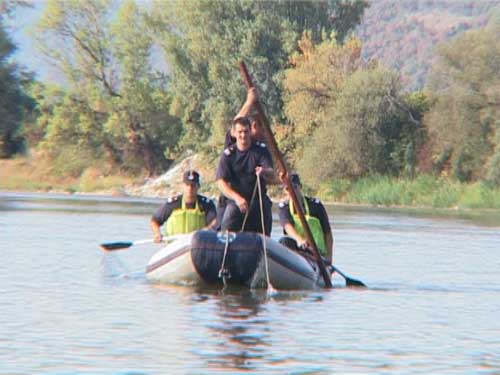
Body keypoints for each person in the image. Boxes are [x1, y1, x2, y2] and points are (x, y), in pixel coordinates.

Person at [216, 116, 275, 235]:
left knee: (265, 207)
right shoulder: (228, 155)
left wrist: (264, 171)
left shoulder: (261, 151)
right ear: (234, 133)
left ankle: (264, 245)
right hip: (236, 202)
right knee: (228, 218)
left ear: (250, 131)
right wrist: (237, 198)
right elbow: (220, 182)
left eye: (246, 131)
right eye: (240, 132)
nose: (243, 135)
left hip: (257, 201)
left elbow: (271, 173)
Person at [278, 173, 334, 263]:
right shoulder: (284, 207)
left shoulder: (316, 205)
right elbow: (287, 226)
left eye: (294, 187)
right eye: (288, 189)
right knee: (283, 241)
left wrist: (329, 257)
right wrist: (299, 240)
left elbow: (327, 233)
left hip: (317, 252)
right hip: (299, 247)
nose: (292, 192)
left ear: (300, 187)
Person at [151, 170, 216, 242]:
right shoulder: (173, 204)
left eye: (193, 185)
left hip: (197, 245)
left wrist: (207, 230)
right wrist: (157, 234)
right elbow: (155, 220)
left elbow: (215, 222)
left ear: (198, 186)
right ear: (182, 186)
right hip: (174, 246)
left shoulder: (207, 204)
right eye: (187, 185)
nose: (190, 188)